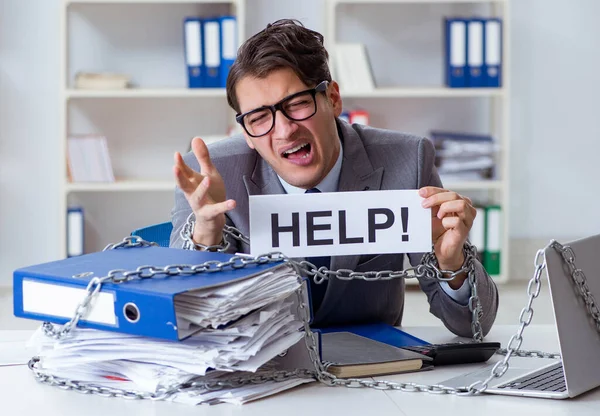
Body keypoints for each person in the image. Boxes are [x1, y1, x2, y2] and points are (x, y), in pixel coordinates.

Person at [170, 19, 498, 337]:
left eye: (297, 104)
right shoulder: (209, 175)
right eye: (259, 118)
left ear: (333, 99)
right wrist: (205, 236)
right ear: (246, 133)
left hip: (374, 370)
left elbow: (472, 325)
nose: (285, 130)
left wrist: (451, 262)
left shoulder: (407, 161)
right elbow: (180, 321)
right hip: (259, 377)